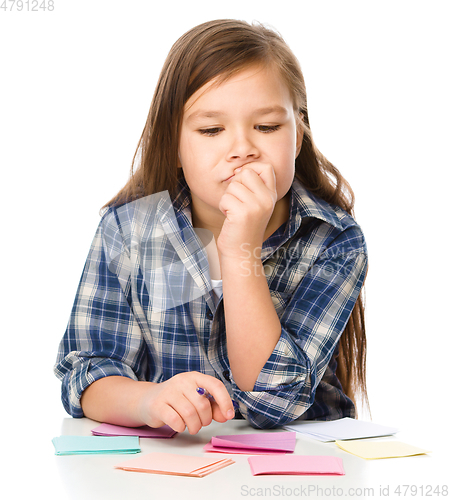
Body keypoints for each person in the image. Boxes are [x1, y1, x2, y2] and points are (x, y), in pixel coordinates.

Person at [54, 19, 368, 433]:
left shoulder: (334, 240)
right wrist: (148, 400)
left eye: (268, 127)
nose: (241, 149)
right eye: (211, 130)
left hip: (299, 462)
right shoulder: (130, 232)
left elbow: (272, 402)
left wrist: (240, 250)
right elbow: (87, 374)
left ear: (298, 135)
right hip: (175, 467)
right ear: (176, 145)